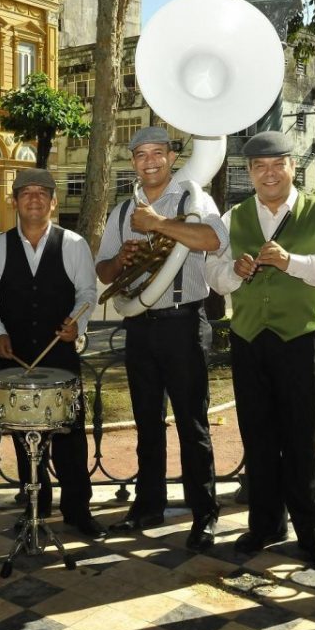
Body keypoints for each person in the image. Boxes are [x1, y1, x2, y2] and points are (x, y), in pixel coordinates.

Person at [204, 131, 315, 570]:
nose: (269, 174)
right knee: (259, 435)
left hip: (298, 340)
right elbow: (213, 275)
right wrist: (234, 270)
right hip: (249, 339)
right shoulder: (234, 216)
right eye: (259, 167)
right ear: (249, 173)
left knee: (302, 440)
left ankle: (313, 533)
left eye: (277, 165)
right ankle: (266, 524)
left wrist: (292, 263)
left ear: (293, 167)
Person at [96, 126, 225, 552]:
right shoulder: (120, 211)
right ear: (132, 161)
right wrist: (122, 259)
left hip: (182, 324)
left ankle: (204, 513)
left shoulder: (191, 198)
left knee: (192, 423)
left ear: (171, 156)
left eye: (157, 153)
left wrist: (158, 225)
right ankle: (148, 503)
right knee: (146, 423)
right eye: (140, 154)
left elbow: (212, 239)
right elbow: (104, 273)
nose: (149, 161)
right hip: (139, 326)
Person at [0, 168, 106, 541]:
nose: (34, 198)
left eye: (42, 193)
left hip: (60, 356)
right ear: (14, 201)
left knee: (68, 435)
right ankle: (36, 506)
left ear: (53, 201)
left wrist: (76, 327)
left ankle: (78, 510)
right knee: (24, 436)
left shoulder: (73, 244)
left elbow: (87, 294)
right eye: (25, 193)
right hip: (14, 356)